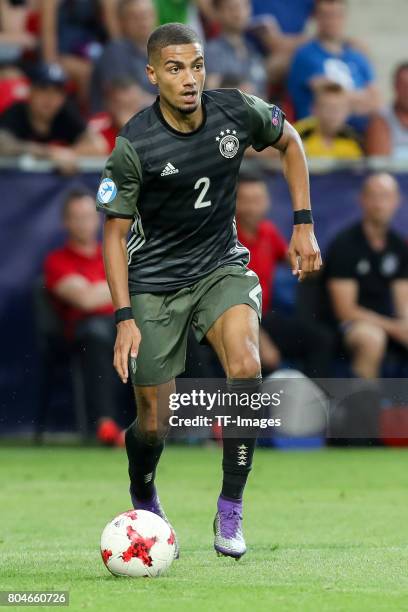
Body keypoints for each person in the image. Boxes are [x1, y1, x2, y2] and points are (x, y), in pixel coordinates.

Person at [96, 22, 321, 559]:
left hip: (221, 267)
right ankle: (143, 489)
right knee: (155, 421)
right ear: (152, 75)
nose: (190, 77)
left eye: (196, 65)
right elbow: (113, 234)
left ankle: (230, 509)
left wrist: (303, 223)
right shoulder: (134, 145)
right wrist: (125, 316)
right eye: (174, 68)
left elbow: (290, 142)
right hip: (154, 283)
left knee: (246, 366)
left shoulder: (235, 109)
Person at [44, 188, 125, 445]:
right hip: (83, 334)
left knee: (172, 332)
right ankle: (106, 425)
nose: (83, 223)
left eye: (88, 216)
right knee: (97, 333)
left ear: (98, 219)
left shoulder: (115, 252)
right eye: (76, 217)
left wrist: (105, 288)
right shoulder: (57, 261)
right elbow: (86, 300)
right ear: (66, 222)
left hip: (125, 323)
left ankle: (192, 423)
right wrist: (125, 284)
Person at [236, 171, 334, 377]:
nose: (252, 207)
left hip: (265, 316)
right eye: (246, 200)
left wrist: (313, 263)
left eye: (258, 199)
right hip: (235, 319)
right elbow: (231, 301)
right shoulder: (227, 239)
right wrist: (260, 340)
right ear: (234, 203)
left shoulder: (268, 232)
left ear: (267, 202)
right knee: (262, 359)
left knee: (320, 339)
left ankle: (316, 401)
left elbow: (295, 261)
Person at [325, 173, 408, 379]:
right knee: (372, 338)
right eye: (374, 196)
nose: (379, 204)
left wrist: (404, 324)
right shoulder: (344, 245)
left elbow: (403, 301)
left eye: (386, 196)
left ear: (397, 201)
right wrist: (395, 328)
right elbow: (346, 310)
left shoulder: (398, 246)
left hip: (387, 322)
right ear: (361, 199)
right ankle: (364, 408)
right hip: (348, 326)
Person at [288, 0, 380, 128]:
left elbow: (376, 101)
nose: (333, 21)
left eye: (338, 15)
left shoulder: (358, 56)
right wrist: (362, 99)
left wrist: (348, 99)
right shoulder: (305, 55)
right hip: (320, 134)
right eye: (327, 15)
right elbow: (330, 97)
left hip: (358, 131)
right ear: (316, 18)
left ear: (345, 17)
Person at [0, 63, 106, 173]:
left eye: (57, 92)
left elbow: (98, 145)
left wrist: (68, 154)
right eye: (43, 89)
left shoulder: (66, 112)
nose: (50, 98)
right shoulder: (16, 111)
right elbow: (3, 145)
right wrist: (49, 153)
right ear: (30, 92)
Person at [39, 0, 118, 107]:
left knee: (114, 69)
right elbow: (48, 35)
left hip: (93, 50)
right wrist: (51, 67)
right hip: (63, 54)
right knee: (87, 72)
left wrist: (108, 10)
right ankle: (94, 116)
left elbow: (116, 38)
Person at [90, 0, 157, 113]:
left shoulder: (158, 53)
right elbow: (126, 99)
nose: (143, 21)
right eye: (135, 17)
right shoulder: (115, 51)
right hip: (119, 126)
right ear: (122, 22)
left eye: (147, 15)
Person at [204, 0, 268, 98]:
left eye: (245, 6)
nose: (240, 13)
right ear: (218, 12)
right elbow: (211, 91)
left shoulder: (254, 48)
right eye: (232, 8)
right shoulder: (212, 51)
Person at [295, 82, 363, 159]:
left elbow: (357, 168)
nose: (333, 113)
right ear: (315, 109)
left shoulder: (352, 139)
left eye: (338, 108)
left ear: (347, 111)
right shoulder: (299, 134)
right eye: (328, 108)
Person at [88, 77, 150, 154]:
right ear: (110, 104)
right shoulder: (97, 126)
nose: (131, 113)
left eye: (134, 104)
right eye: (125, 106)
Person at [366, 62, 408, 160]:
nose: (407, 90)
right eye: (403, 85)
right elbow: (381, 165)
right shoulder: (381, 118)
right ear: (395, 86)